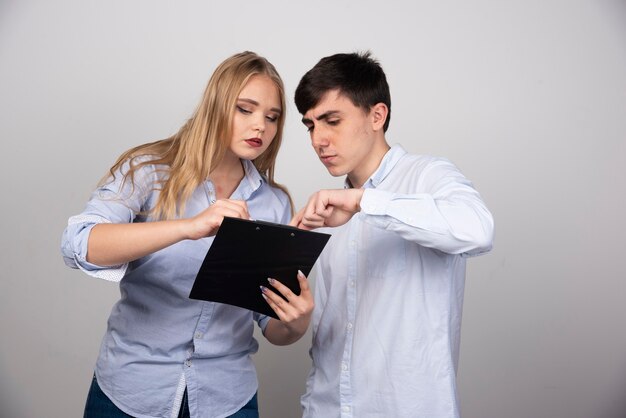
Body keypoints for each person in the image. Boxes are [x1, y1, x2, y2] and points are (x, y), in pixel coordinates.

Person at [61, 51, 313, 418]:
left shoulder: (274, 204)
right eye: (245, 109)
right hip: (130, 392)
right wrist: (188, 228)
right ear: (215, 105)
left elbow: (269, 324)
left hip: (226, 399)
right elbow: (77, 244)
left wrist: (296, 323)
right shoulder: (148, 172)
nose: (260, 125)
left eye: (272, 117)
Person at [291, 52, 495, 418]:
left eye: (331, 121)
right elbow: (327, 340)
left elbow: (478, 229)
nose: (318, 140)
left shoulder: (428, 177)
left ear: (377, 115)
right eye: (310, 126)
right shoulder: (326, 216)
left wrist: (364, 202)